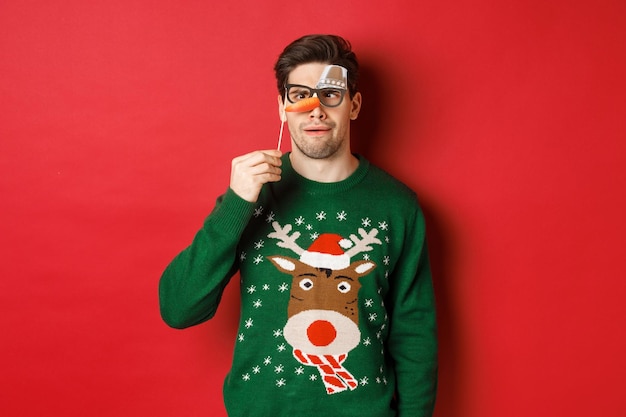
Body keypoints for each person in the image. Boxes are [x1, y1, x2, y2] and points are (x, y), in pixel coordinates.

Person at [159, 34, 438, 417]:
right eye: (301, 95)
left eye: (331, 94)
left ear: (353, 105)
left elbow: (415, 333)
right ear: (282, 108)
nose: (316, 110)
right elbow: (178, 309)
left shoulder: (396, 206)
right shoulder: (250, 196)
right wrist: (237, 203)